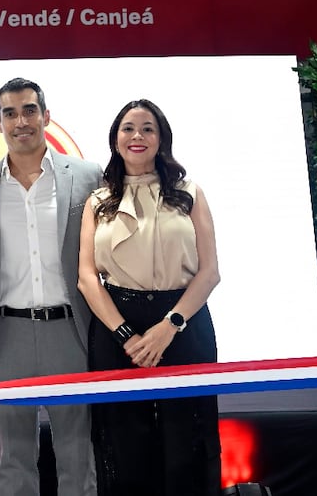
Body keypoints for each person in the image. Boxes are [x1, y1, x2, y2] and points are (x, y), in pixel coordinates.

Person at [0, 78, 101, 496]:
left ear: (46, 116)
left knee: (78, 457)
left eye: (29, 110)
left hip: (71, 330)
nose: (21, 121)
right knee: (15, 463)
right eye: (10, 113)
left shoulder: (87, 176)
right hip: (7, 336)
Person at [77, 99, 222, 496]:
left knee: (187, 436)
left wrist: (169, 326)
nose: (137, 136)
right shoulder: (97, 202)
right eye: (128, 128)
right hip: (115, 324)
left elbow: (210, 272)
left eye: (147, 128)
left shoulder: (189, 193)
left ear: (162, 139)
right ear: (115, 139)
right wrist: (126, 334)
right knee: (123, 441)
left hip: (183, 321)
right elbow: (88, 279)